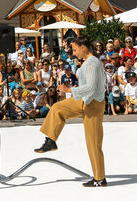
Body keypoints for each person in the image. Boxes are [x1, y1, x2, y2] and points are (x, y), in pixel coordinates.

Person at [33, 36, 107, 188]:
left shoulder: (92, 63)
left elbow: (91, 88)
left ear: (83, 48)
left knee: (93, 142)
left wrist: (69, 90)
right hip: (85, 101)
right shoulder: (88, 63)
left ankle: (100, 179)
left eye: (75, 49)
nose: (73, 53)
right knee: (57, 108)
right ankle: (51, 140)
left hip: (93, 104)